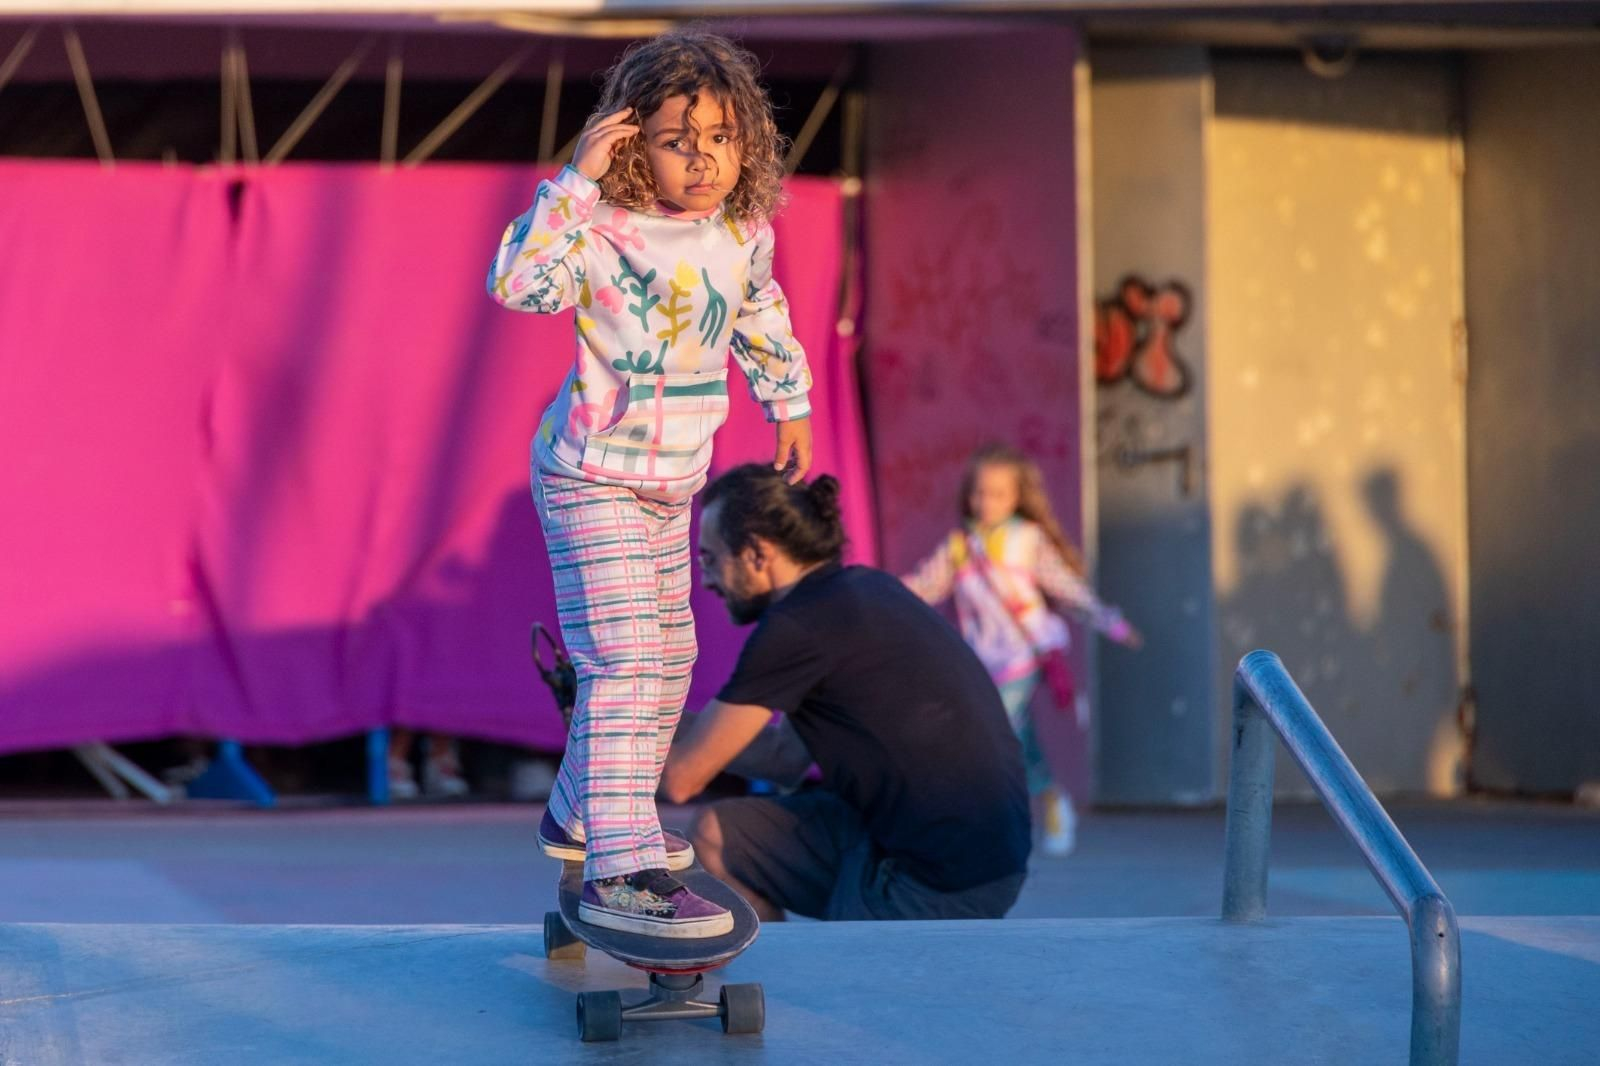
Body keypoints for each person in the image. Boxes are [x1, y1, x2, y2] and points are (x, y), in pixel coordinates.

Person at [486, 31, 813, 939]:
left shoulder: (741, 234)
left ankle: (579, 814)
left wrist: (788, 401)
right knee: (624, 662)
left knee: (671, 662)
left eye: (721, 138)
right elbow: (517, 283)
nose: (703, 160)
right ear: (633, 144)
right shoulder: (597, 230)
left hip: (674, 480)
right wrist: (574, 183)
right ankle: (623, 869)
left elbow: (760, 313)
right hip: (589, 474)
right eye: (677, 140)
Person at [663, 465, 1031, 921]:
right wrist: (659, 720)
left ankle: (819, 966)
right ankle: (783, 959)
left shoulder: (794, 628)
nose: (706, 580)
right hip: (989, 858)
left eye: (710, 559)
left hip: (935, 881)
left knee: (695, 850)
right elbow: (784, 758)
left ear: (757, 553)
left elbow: (683, 779)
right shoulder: (863, 590)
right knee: (719, 834)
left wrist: (607, 739)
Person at [902, 444, 1141, 856]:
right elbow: (926, 584)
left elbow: (1065, 587)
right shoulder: (960, 545)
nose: (986, 502)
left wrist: (1109, 621)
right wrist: (884, 593)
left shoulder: (1027, 539)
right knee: (1017, 736)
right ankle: (1052, 798)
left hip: (1022, 656)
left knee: (993, 730)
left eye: (998, 493)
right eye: (979, 492)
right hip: (981, 657)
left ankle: (986, 820)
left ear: (1016, 497)